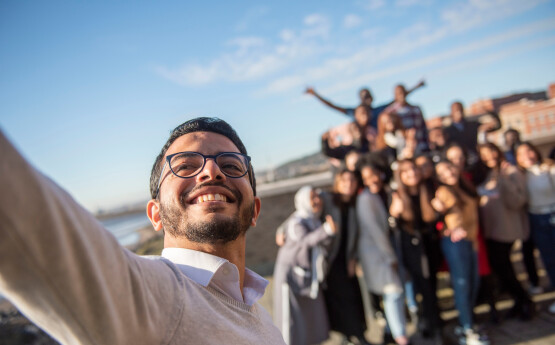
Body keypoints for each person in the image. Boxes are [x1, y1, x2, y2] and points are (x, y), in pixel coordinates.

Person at [0, 117, 286, 344]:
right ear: (156, 214)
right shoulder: (153, 297)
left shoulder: (261, 315)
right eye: (185, 165)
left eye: (231, 165)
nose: (212, 172)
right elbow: (27, 218)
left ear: (255, 210)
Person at [431, 160, 489, 345]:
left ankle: (467, 322)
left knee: (473, 282)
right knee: (462, 284)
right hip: (456, 242)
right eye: (442, 172)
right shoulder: (444, 191)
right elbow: (441, 209)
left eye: (449, 168)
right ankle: (466, 327)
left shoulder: (464, 186)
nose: (448, 173)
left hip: (471, 240)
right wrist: (449, 224)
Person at [477, 142, 534, 321]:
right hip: (491, 231)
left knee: (505, 268)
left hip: (506, 230)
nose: (490, 157)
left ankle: (524, 300)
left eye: (491, 152)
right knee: (502, 270)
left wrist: (504, 181)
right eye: (484, 154)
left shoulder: (511, 172)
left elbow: (518, 201)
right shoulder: (487, 175)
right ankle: (519, 299)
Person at [273, 186, 337, 345]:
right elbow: (305, 241)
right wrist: (327, 230)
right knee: (290, 318)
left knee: (308, 317)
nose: (317, 201)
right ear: (303, 201)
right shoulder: (296, 222)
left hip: (306, 276)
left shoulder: (314, 220)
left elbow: (322, 244)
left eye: (317, 197)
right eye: (312, 198)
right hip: (290, 276)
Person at [357, 161, 409, 345]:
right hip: (377, 254)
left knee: (391, 294)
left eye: (373, 174)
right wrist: (390, 256)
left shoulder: (376, 195)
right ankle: (401, 337)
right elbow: (376, 231)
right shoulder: (365, 199)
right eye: (365, 177)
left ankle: (390, 333)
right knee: (393, 292)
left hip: (380, 252)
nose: (371, 180)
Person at [389, 159, 442, 340]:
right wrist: (394, 214)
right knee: (422, 286)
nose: (412, 174)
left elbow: (436, 219)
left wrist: (439, 211)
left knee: (432, 284)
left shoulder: (427, 189)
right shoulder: (397, 195)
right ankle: (430, 322)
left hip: (430, 244)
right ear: (401, 176)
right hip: (412, 248)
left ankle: (434, 319)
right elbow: (393, 227)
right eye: (406, 172)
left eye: (414, 170)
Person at [321, 169, 370, 345]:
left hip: (346, 259)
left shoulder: (356, 203)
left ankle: (354, 334)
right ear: (337, 183)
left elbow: (356, 236)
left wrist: (353, 259)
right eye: (344, 181)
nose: (348, 184)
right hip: (331, 260)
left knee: (355, 297)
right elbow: (303, 212)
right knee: (343, 299)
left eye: (352, 180)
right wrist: (283, 230)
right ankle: (355, 336)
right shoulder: (326, 199)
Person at [515, 142, 555, 314]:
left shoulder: (549, 169)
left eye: (529, 151)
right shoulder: (520, 176)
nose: (527, 156)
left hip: (552, 214)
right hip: (535, 219)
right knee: (549, 260)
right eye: (521, 154)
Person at [305, 80, 425, 129]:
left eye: (368, 96)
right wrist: (315, 94)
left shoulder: (378, 111)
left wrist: (416, 87)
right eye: (364, 97)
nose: (366, 99)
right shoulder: (353, 112)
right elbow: (332, 105)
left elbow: (397, 99)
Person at [384, 85, 429, 153]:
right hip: (404, 150)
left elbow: (423, 128)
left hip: (421, 147)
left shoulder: (416, 109)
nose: (401, 95)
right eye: (399, 93)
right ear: (394, 95)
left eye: (403, 92)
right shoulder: (390, 112)